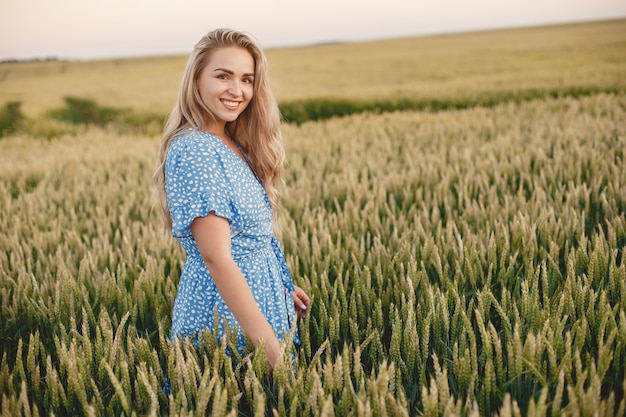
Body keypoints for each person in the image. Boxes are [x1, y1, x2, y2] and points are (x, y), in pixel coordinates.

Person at [153, 28, 310, 369]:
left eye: (246, 79)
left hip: (255, 307)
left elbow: (244, 240)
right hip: (226, 322)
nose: (237, 91)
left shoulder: (228, 142)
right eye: (223, 76)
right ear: (196, 80)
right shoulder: (197, 150)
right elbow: (217, 259)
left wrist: (281, 284)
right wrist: (270, 349)